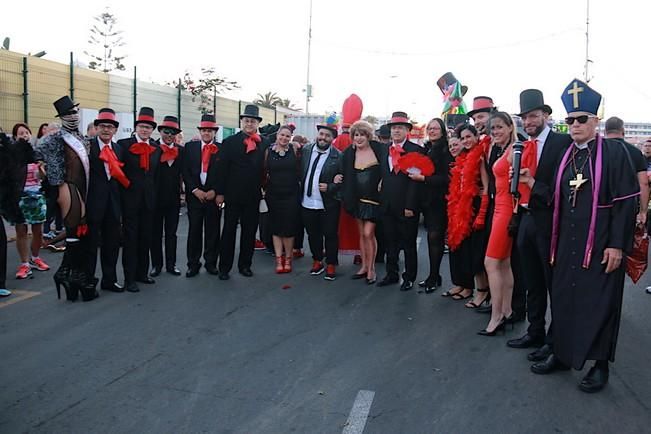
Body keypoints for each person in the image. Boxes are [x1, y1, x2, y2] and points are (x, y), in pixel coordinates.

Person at [527, 79, 639, 393]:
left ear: (596, 120)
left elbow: (625, 202)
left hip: (601, 244)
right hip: (566, 244)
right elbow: (552, 196)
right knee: (564, 300)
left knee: (599, 304)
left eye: (581, 120)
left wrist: (617, 244)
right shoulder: (566, 155)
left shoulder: (614, 153)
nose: (575, 125)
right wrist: (528, 182)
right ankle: (562, 354)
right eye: (570, 120)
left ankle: (600, 365)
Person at [507, 90, 573, 357]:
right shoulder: (523, 145)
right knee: (532, 281)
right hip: (526, 218)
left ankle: (555, 340)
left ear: (546, 115)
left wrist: (532, 183)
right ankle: (535, 331)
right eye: (525, 117)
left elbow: (567, 190)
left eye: (533, 115)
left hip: (552, 224)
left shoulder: (563, 143)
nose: (529, 121)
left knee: (553, 283)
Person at [478, 112, 535, 335]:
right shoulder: (506, 149)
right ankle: (507, 310)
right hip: (501, 208)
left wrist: (514, 213)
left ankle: (497, 316)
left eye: (500, 127)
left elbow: (522, 184)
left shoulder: (517, 149)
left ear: (510, 127)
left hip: (507, 210)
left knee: (491, 263)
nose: (496, 132)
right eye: (493, 129)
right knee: (503, 263)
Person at [37, 96, 98, 301]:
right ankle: (73, 277)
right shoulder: (55, 138)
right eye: (68, 113)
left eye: (75, 112)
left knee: (79, 236)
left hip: (84, 190)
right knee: (74, 234)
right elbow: (37, 151)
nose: (73, 116)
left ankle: (67, 275)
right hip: (68, 189)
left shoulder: (81, 138)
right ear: (62, 117)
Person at [216, 105, 266, 280]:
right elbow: (222, 169)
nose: (249, 123)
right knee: (228, 231)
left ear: (257, 123)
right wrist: (220, 193)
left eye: (252, 121)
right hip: (233, 195)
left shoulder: (263, 143)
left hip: (252, 196)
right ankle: (224, 267)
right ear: (241, 122)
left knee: (249, 232)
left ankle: (245, 265)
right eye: (246, 120)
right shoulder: (229, 142)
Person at [377, 111, 425, 291]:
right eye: (394, 128)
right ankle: (391, 274)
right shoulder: (385, 149)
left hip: (406, 206)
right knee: (390, 242)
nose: (396, 131)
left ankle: (409, 277)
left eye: (400, 128)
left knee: (409, 243)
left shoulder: (416, 150)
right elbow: (384, 175)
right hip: (387, 204)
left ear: (407, 130)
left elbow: (415, 183)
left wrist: (411, 206)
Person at [117, 107, 161, 293]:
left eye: (148, 127)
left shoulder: (156, 149)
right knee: (130, 240)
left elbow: (156, 176)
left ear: (152, 130)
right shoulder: (123, 145)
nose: (145, 130)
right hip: (130, 200)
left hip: (149, 201)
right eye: (142, 126)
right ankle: (129, 278)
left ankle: (142, 273)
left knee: (146, 238)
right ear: (136, 127)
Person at [445, 124, 490, 301]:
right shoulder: (464, 157)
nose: (465, 141)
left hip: (476, 207)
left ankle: (481, 291)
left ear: (476, 136)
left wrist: (481, 213)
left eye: (468, 137)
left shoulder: (479, 157)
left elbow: (486, 188)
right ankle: (464, 286)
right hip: (463, 207)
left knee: (475, 252)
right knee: (463, 249)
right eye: (462, 138)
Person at [86, 108, 128, 293]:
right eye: (102, 126)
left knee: (111, 244)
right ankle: (88, 281)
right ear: (96, 127)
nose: (106, 130)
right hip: (93, 204)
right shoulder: (87, 147)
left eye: (110, 127)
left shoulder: (118, 149)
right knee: (90, 246)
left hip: (113, 204)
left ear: (115, 130)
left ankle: (109, 280)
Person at [409, 118, 452, 293]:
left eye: (436, 128)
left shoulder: (445, 150)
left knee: (435, 238)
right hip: (426, 200)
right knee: (431, 238)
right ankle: (434, 276)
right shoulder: (427, 149)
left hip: (439, 201)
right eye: (430, 128)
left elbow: (447, 178)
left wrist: (424, 179)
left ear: (442, 131)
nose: (432, 131)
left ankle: (434, 276)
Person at [300, 122, 343, 280]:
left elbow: (344, 180)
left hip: (328, 203)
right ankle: (317, 260)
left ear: (332, 139)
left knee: (330, 234)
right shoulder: (305, 150)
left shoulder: (338, 156)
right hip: (306, 201)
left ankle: (331, 263)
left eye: (327, 136)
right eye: (322, 134)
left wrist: (331, 186)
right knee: (312, 234)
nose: (323, 138)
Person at [342, 120, 383, 284]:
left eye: (362, 135)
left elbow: (388, 168)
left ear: (368, 137)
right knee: (361, 234)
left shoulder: (379, 150)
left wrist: (384, 182)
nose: (359, 138)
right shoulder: (348, 154)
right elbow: (342, 171)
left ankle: (372, 269)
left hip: (374, 200)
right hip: (356, 200)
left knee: (368, 233)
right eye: (356, 135)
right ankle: (364, 266)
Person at [183, 115, 221, 277]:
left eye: (209, 131)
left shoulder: (221, 148)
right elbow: (185, 171)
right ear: (200, 131)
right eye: (204, 130)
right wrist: (194, 190)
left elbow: (224, 173)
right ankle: (193, 263)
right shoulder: (190, 148)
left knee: (213, 231)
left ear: (214, 133)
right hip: (195, 197)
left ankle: (211, 263)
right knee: (194, 231)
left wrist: (216, 190)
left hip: (213, 197)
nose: (206, 133)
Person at [10, 123, 49, 279]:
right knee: (21, 231)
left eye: (26, 132)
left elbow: (43, 178)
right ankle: (24, 263)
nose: (24, 135)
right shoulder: (11, 156)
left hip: (37, 196)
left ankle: (35, 257)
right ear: (14, 137)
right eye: (21, 133)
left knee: (38, 231)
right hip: (19, 196)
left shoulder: (36, 154)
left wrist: (40, 169)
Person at [263, 125, 301, 273]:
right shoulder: (268, 152)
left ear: (291, 137)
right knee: (276, 227)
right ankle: (279, 259)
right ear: (277, 135)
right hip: (273, 194)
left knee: (289, 228)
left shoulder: (295, 150)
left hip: (291, 194)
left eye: (287, 136)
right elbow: (263, 171)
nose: (284, 138)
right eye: (282, 135)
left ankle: (288, 258)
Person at [149, 115, 184, 277]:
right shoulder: (152, 149)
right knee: (155, 234)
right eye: (166, 132)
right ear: (161, 131)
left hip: (173, 200)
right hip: (155, 200)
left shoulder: (181, 151)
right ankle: (156, 265)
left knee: (172, 234)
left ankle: (171, 264)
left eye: (173, 133)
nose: (169, 135)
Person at [604, 117, 649, 226]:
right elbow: (643, 183)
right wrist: (643, 211)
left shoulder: (597, 150)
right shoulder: (635, 153)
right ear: (623, 131)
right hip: (626, 207)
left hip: (600, 205)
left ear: (605, 131)